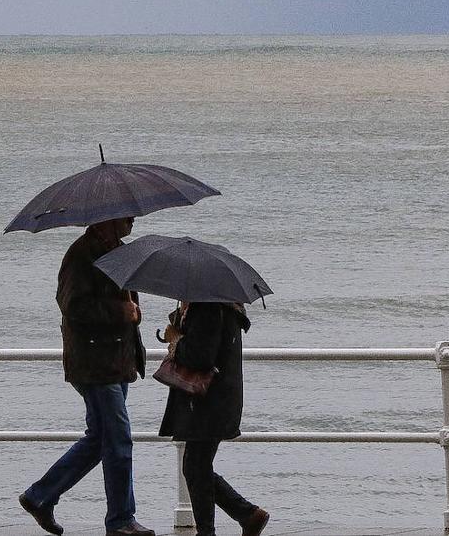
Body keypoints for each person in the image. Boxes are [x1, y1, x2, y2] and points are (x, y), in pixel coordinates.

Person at [19, 216, 155, 536]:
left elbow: (127, 306)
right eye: (127, 213)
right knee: (119, 439)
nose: (134, 218)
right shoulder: (80, 256)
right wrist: (121, 312)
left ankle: (41, 496)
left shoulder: (120, 251)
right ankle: (121, 520)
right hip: (95, 364)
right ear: (108, 218)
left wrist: (132, 318)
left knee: (99, 439)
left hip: (117, 361)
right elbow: (72, 307)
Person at [158, 302, 269, 536]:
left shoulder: (208, 307)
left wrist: (176, 340)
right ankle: (247, 515)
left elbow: (201, 356)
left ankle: (221, 526)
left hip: (208, 401)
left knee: (195, 466)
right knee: (195, 466)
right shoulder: (215, 305)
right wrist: (181, 318)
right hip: (215, 399)